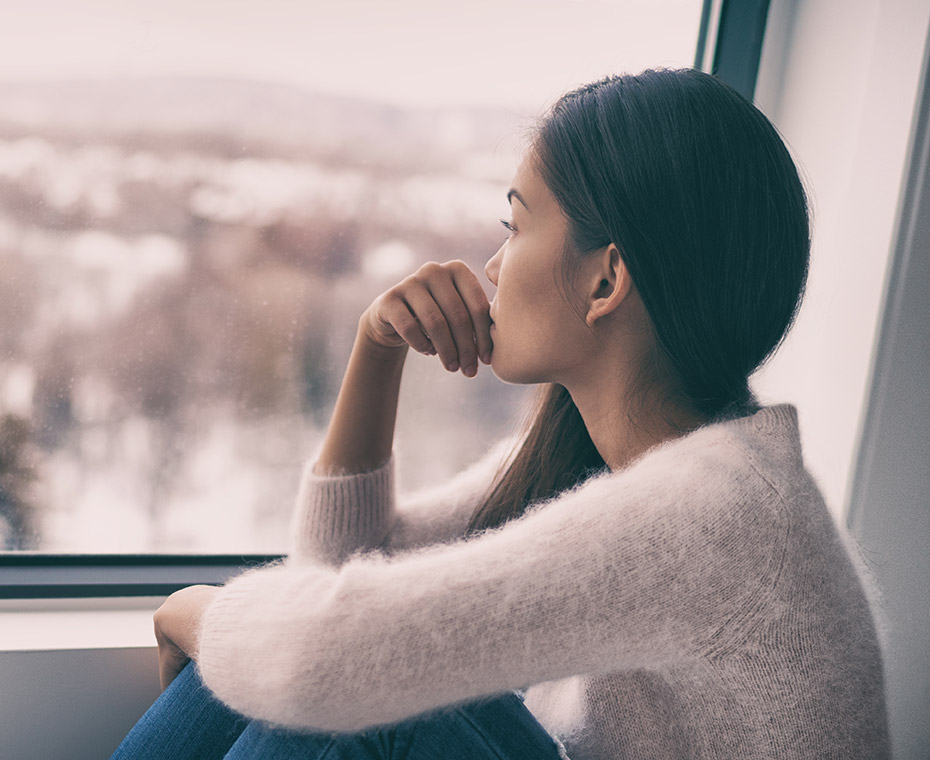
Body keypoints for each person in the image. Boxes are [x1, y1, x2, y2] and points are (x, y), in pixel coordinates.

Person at [112, 68, 890, 759]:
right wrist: (375, 350)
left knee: (345, 692)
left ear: (605, 280)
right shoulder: (609, 454)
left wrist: (196, 615)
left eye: (515, 227)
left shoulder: (718, 513)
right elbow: (342, 575)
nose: (492, 266)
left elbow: (321, 660)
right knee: (293, 670)